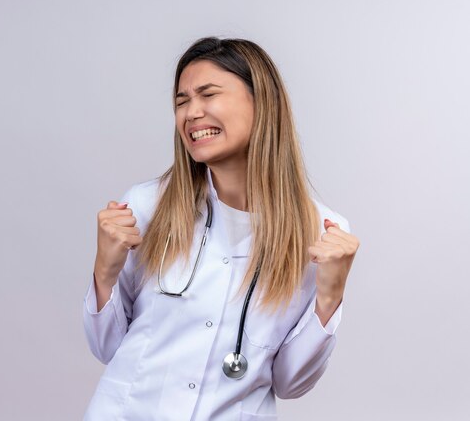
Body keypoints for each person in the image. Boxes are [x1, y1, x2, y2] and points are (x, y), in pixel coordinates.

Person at [82, 36, 360, 420]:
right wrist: (104, 272)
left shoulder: (321, 235)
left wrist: (329, 299)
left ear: (261, 102)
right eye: (181, 101)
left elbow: (289, 383)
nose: (191, 113)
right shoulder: (146, 208)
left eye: (207, 95)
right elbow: (107, 348)